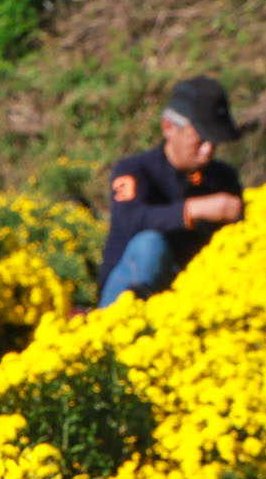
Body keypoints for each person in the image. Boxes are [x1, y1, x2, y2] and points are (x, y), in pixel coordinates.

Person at [97, 77, 245, 307]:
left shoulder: (222, 177)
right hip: (126, 298)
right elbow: (129, 220)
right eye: (200, 140)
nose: (207, 151)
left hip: (191, 298)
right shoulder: (134, 170)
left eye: (213, 142)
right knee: (150, 245)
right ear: (168, 127)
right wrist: (194, 210)